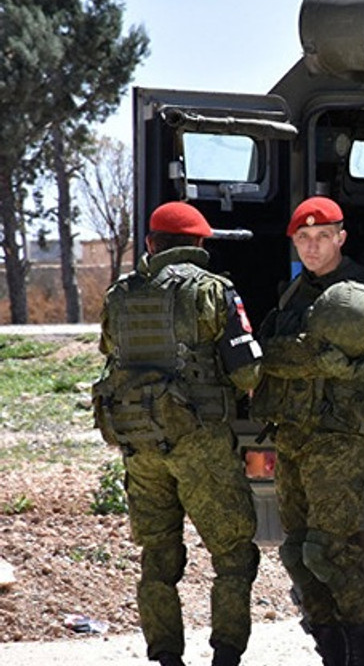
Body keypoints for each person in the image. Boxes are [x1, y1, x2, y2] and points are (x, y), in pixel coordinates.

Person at [93, 202, 262, 666]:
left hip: (139, 443)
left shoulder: (118, 294)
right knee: (232, 556)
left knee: (158, 555)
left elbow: (112, 351)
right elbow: (247, 373)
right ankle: (225, 656)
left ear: (151, 245)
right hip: (200, 444)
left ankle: (166, 657)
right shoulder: (213, 292)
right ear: (201, 246)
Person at [252, 196, 364, 666]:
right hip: (294, 433)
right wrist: (297, 354)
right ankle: (333, 652)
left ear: (341, 238)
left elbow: (298, 355)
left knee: (327, 553)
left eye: (322, 237)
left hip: (338, 436)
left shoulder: (358, 294)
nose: (312, 248)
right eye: (303, 239)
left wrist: (286, 353)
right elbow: (274, 352)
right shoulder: (297, 293)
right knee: (295, 554)